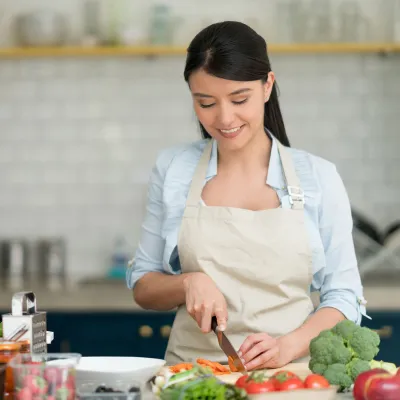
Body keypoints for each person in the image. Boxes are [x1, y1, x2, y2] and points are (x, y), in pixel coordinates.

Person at [126, 21, 368, 371]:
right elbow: (144, 286)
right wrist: (187, 283)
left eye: (240, 99)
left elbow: (344, 297)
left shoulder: (318, 177)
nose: (225, 118)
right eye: (206, 102)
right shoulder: (173, 169)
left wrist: (288, 346)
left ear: (267, 85)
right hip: (193, 378)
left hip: (290, 379)